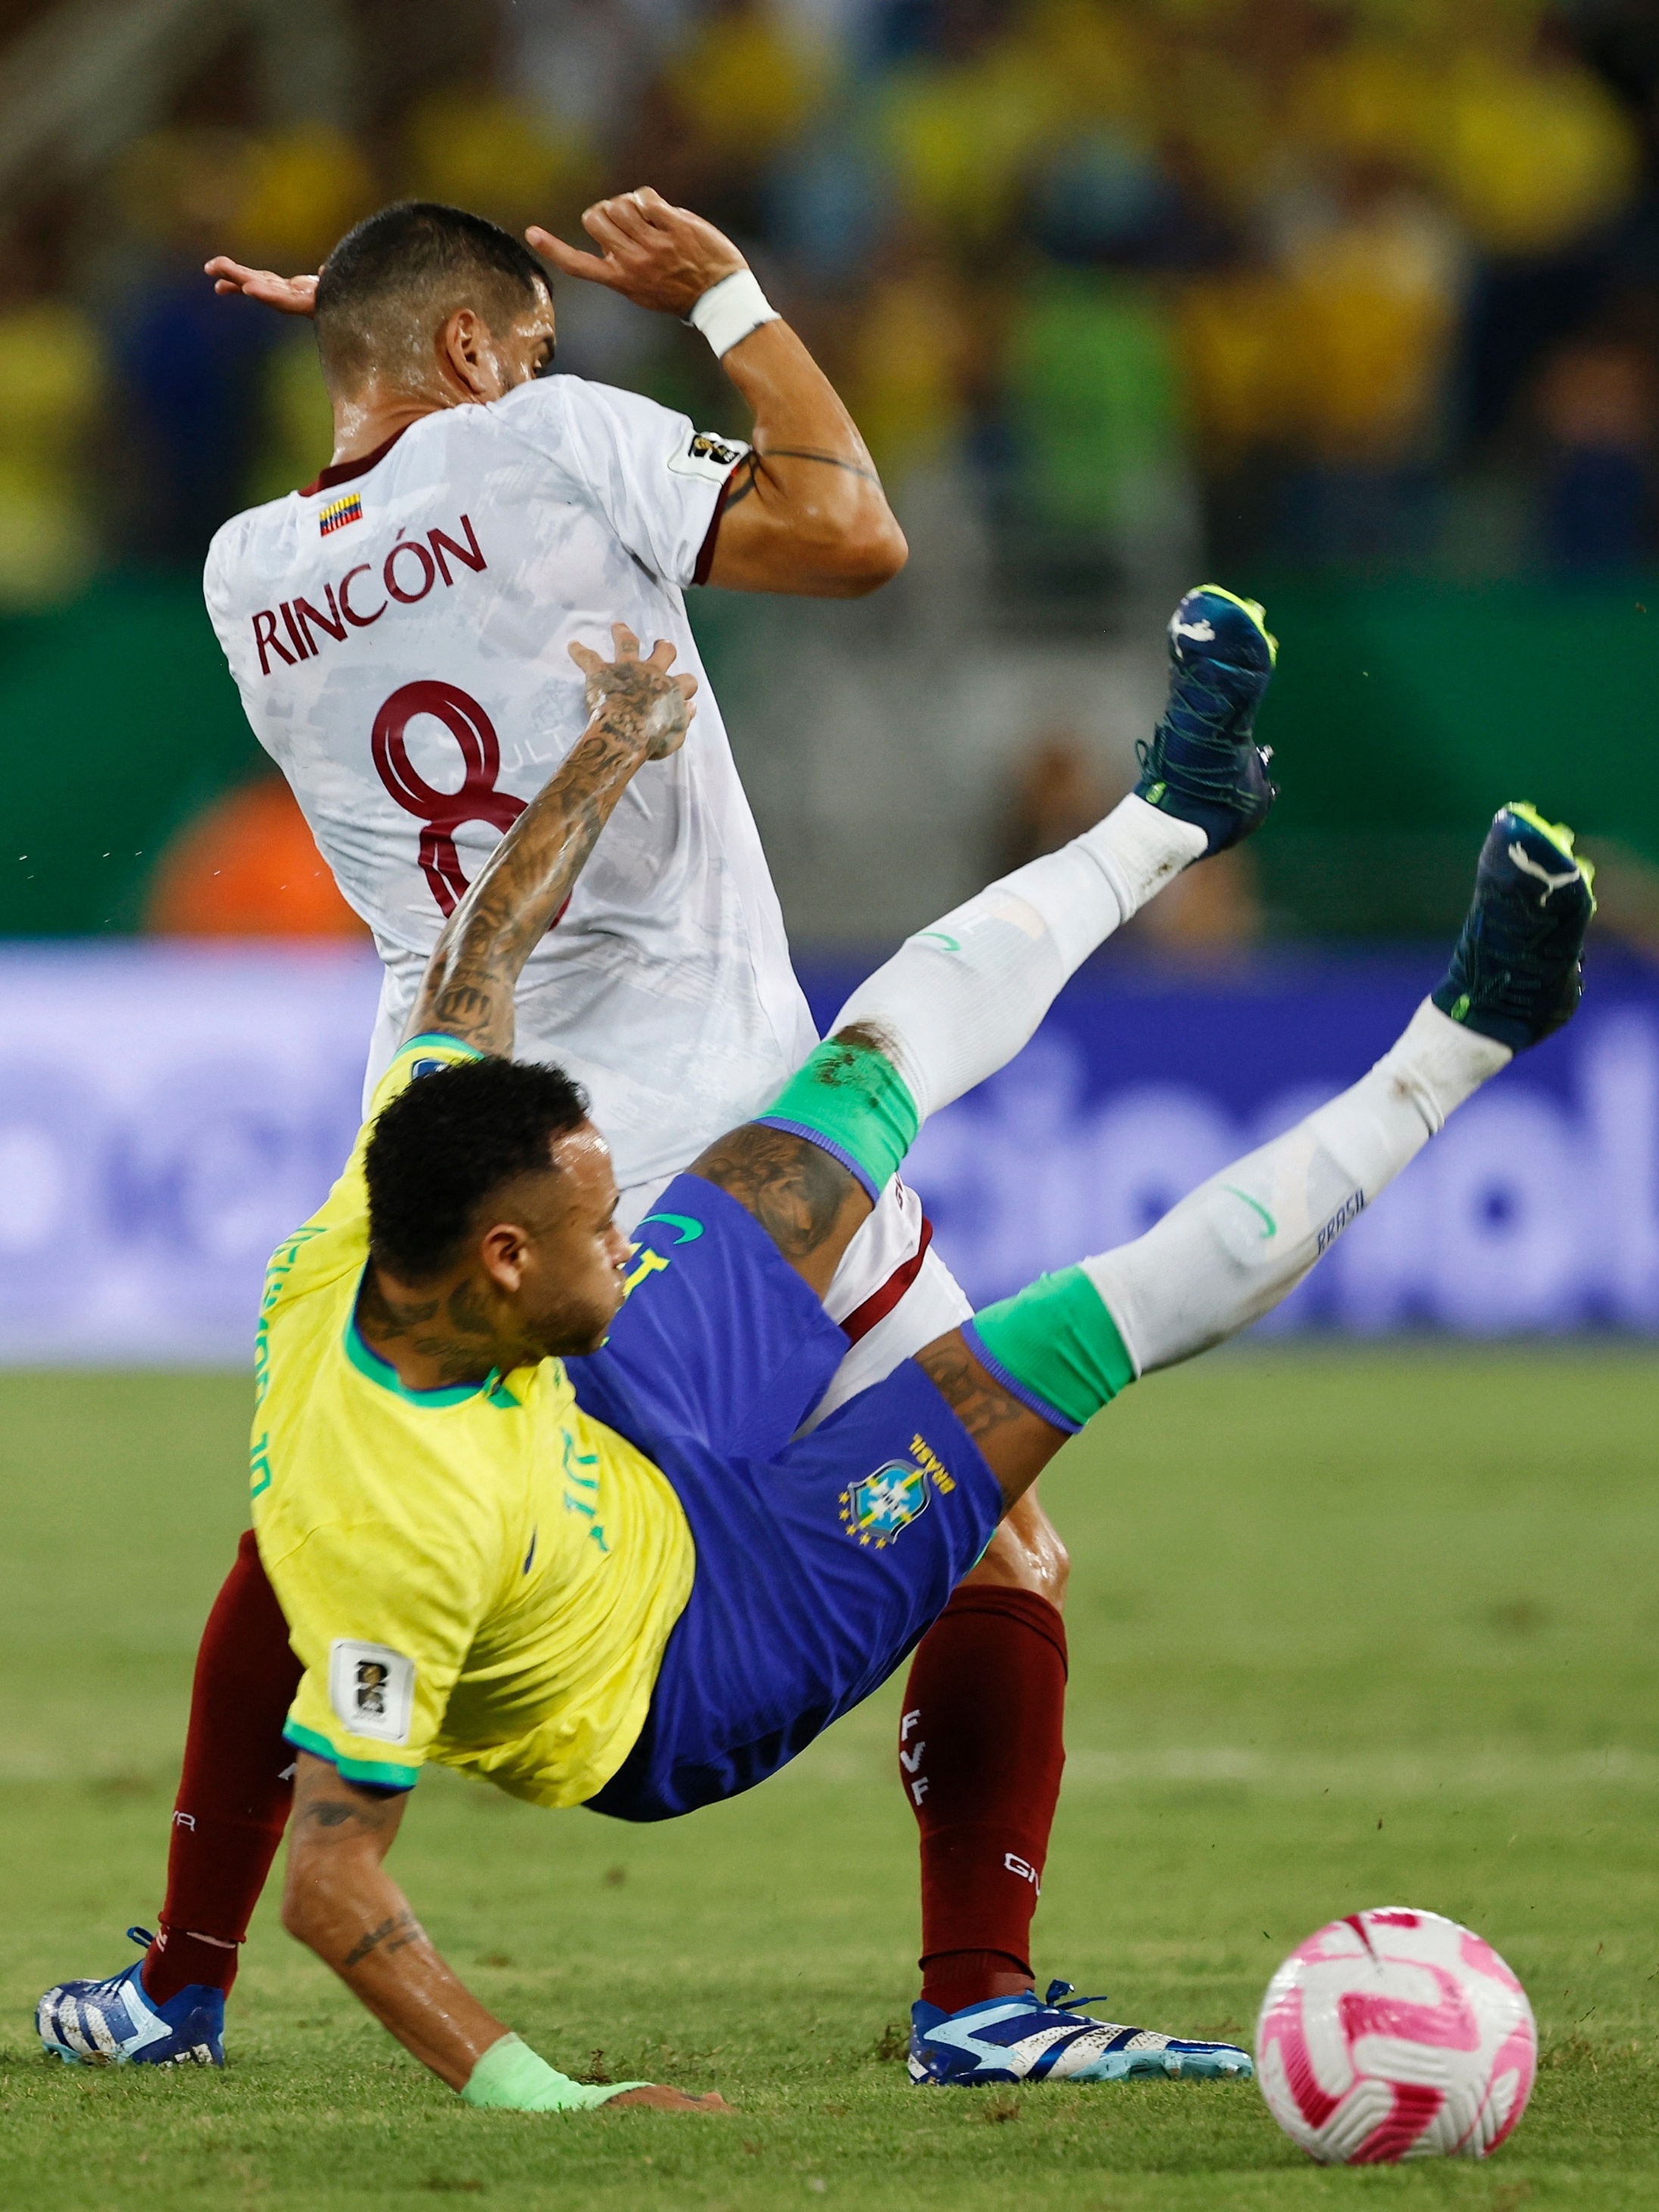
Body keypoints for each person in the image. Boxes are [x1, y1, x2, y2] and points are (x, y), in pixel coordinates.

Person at [39, 617, 1595, 2100]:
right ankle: (1468, 1036)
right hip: (697, 1646)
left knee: (854, 1076)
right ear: (506, 1258)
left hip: (614, 1412)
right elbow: (335, 1879)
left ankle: (1170, 815)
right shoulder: (400, 1523)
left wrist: (614, 741)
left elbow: (483, 951)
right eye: (600, 1228)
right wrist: (547, 2099)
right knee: (1067, 1341)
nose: (627, 1236)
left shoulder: (382, 1211)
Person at [130, 183, 1271, 2074]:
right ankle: (980, 1999)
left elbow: (407, 493)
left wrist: (388, 322)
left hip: (463, 1133)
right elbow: (855, 530)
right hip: (723, 1138)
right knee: (1001, 1546)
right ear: (488, 357)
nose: (562, 371)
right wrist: (732, 296)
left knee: (341, 1514)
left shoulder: (246, 575)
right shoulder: (555, 435)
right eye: (538, 344)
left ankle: (177, 1980)